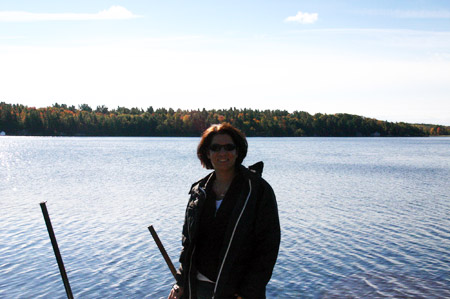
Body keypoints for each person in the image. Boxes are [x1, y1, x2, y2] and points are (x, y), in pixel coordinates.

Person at [168, 123, 280, 299]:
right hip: (197, 288)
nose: (222, 153)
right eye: (215, 148)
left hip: (236, 292)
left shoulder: (257, 190)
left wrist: (247, 292)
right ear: (207, 153)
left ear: (238, 152)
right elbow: (188, 243)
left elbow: (267, 249)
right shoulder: (199, 191)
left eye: (229, 147)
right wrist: (180, 282)